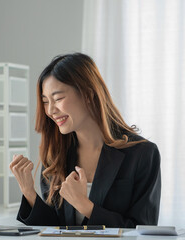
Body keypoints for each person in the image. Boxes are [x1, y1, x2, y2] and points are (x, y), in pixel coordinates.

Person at [9, 53, 161, 228]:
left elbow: (144, 230)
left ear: (88, 94)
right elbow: (53, 229)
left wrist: (85, 206)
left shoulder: (143, 154)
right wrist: (29, 192)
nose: (51, 110)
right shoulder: (55, 156)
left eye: (58, 99)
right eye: (45, 101)